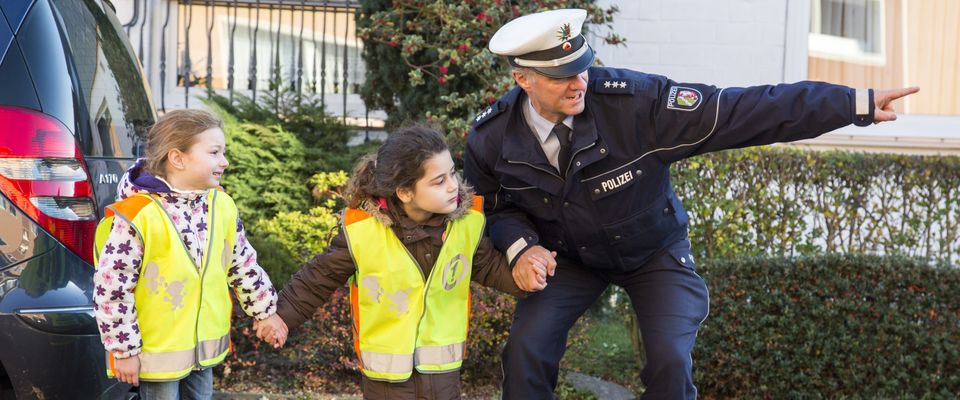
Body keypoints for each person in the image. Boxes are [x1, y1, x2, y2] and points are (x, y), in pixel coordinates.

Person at [462, 8, 920, 400]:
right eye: (562, 75)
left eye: (582, 66)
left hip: (653, 252)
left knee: (669, 359)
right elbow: (496, 208)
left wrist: (850, 104)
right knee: (525, 350)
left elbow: (740, 111)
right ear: (522, 79)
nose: (579, 82)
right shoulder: (491, 137)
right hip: (572, 259)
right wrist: (521, 246)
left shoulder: (637, 103)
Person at [255, 126, 546, 399]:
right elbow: (317, 279)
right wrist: (280, 317)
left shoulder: (467, 225)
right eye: (439, 181)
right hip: (386, 378)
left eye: (453, 174)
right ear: (405, 192)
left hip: (442, 373)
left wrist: (524, 278)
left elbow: (487, 266)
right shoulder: (362, 232)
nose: (453, 186)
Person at [92, 109, 287, 400]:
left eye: (223, 152)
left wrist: (265, 313)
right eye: (214, 152)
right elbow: (113, 288)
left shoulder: (222, 205)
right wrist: (123, 351)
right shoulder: (138, 215)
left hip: (202, 350)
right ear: (177, 158)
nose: (225, 161)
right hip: (157, 354)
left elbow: (243, 264)